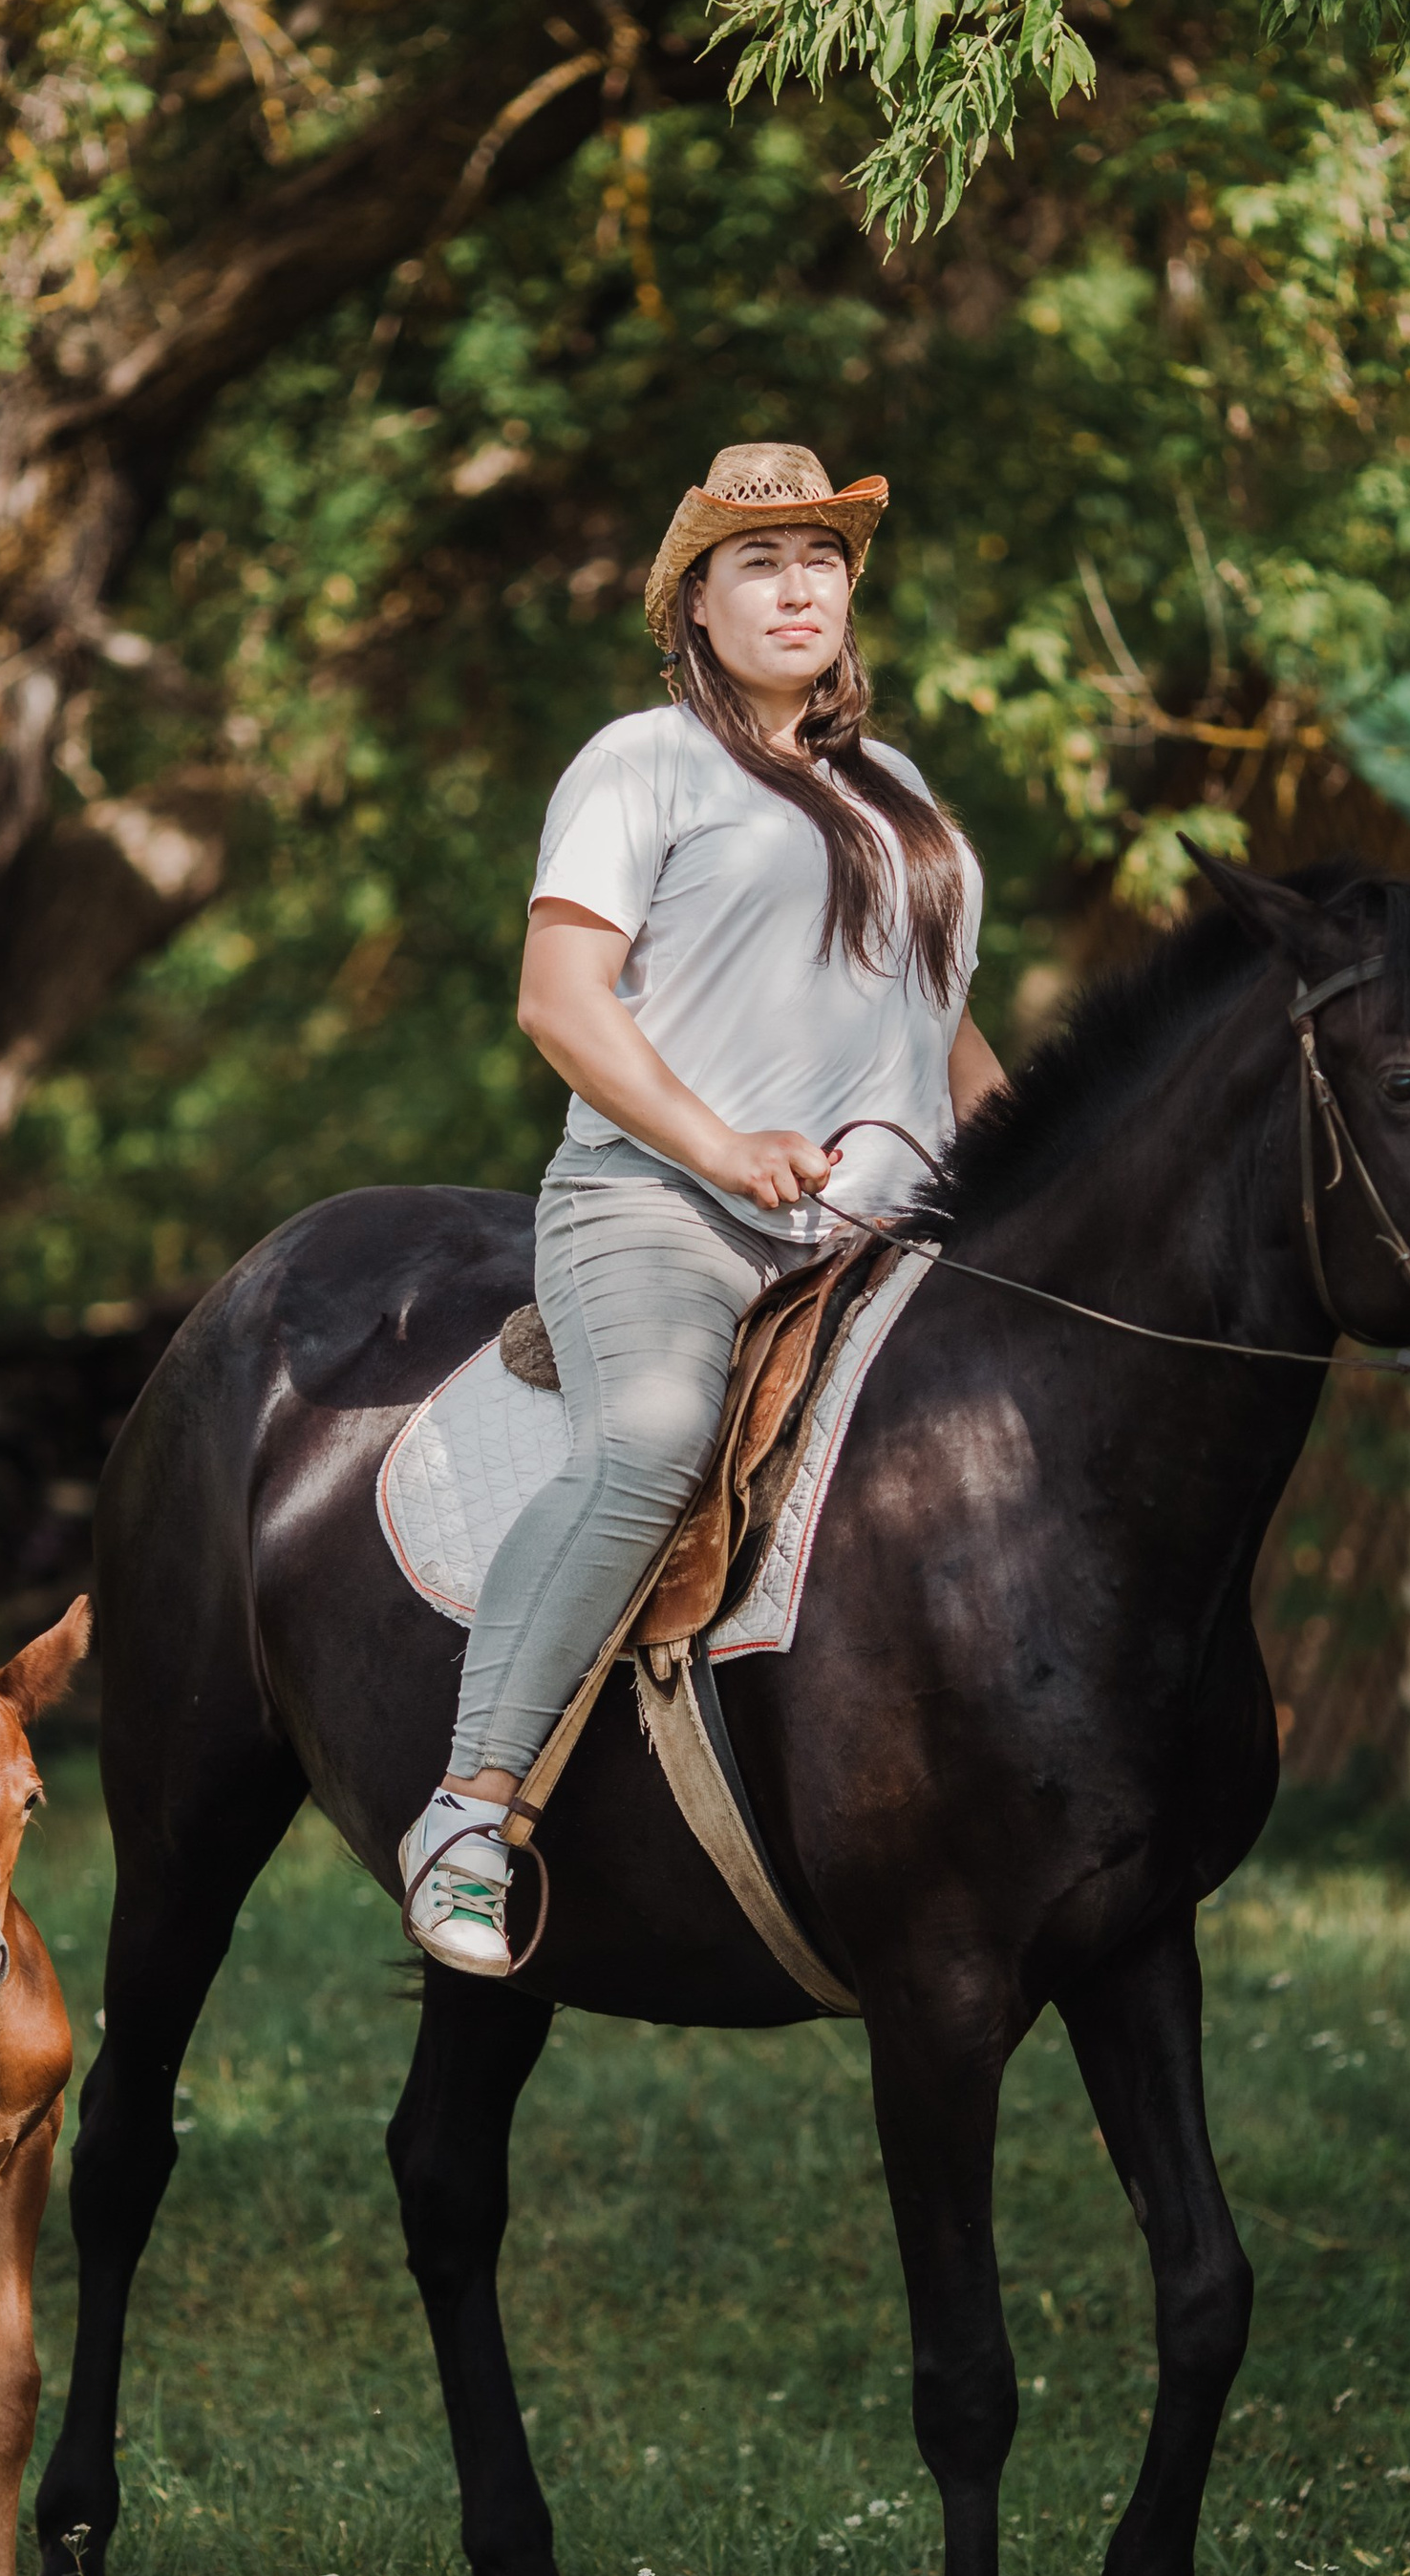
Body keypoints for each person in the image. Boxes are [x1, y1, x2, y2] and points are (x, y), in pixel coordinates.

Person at [397, 443, 1009, 1972]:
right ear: (694, 605)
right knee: (655, 1437)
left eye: (820, 558)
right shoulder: (641, 762)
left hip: (891, 1228)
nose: (797, 585)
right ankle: (472, 1814)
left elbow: (946, 1030)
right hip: (662, 1207)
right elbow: (559, 1001)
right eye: (758, 561)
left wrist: (1024, 1178)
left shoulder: (901, 793)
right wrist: (722, 1144)